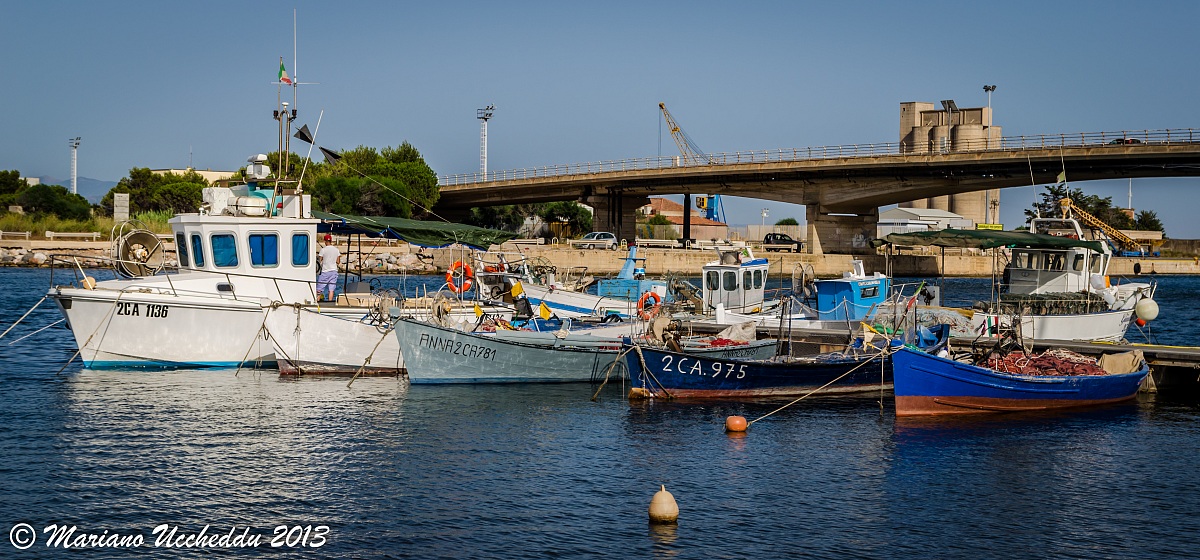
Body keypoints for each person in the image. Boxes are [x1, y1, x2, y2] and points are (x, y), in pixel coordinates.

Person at [316, 234, 341, 301]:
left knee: (319, 289)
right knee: (331, 289)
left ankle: (317, 302)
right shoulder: (336, 250)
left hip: (325, 271)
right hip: (334, 271)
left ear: (325, 241)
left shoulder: (323, 250)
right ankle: (330, 302)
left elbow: (319, 260)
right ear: (331, 241)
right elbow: (338, 261)